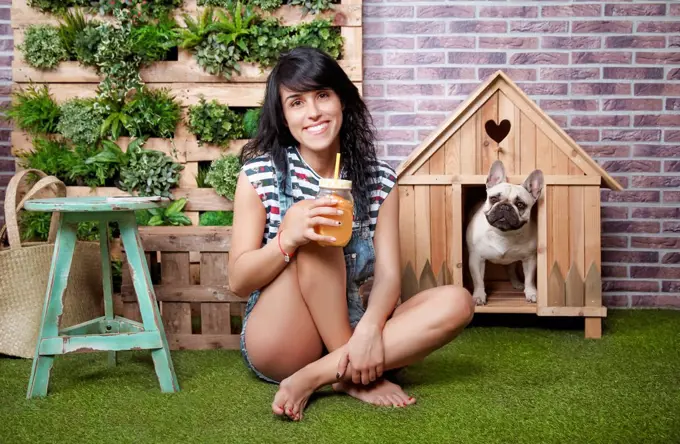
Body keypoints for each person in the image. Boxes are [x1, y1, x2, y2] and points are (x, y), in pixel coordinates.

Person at [229, 46, 475, 421]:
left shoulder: (379, 178)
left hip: (355, 327)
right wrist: (288, 238)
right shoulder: (258, 175)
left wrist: (370, 330)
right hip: (282, 337)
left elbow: (390, 275)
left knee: (458, 301)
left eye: (322, 96)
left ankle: (323, 375)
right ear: (283, 115)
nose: (312, 112)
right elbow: (239, 281)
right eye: (296, 102)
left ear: (342, 100)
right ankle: (355, 371)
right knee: (318, 235)